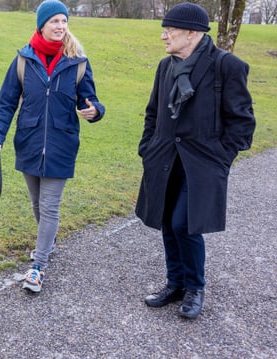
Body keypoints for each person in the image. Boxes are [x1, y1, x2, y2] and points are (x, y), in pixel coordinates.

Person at [136, 2, 255, 319]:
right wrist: (147, 147)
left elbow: (243, 124)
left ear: (191, 33)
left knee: (183, 223)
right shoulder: (166, 66)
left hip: (202, 163)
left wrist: (220, 158)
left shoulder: (226, 66)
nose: (164, 36)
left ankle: (194, 288)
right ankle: (175, 284)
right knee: (165, 220)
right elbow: (153, 112)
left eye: (169, 30)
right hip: (164, 157)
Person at [0, 0, 105, 293]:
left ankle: (38, 266)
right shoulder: (23, 61)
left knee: (50, 207)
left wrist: (95, 111)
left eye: (64, 22)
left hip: (61, 144)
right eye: (54, 21)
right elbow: (5, 104)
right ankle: (47, 243)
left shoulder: (78, 62)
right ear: (41, 25)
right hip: (28, 142)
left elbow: (89, 99)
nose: (60, 26)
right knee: (37, 204)